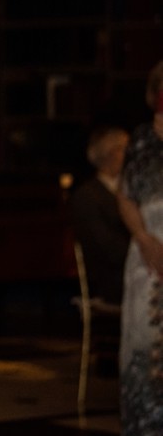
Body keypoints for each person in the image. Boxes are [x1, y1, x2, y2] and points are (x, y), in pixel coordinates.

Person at [117, 59, 163, 436]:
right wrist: (144, 238)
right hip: (147, 251)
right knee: (143, 347)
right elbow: (125, 196)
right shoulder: (143, 139)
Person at [70, 125, 131, 306]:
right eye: (126, 149)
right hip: (113, 278)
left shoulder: (131, 189)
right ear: (111, 153)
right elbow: (106, 246)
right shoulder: (88, 196)